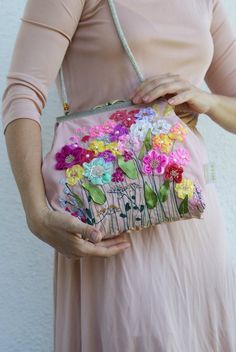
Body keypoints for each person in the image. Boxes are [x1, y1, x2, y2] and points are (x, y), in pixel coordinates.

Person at [2, 0, 236, 351]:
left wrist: (207, 100)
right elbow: (21, 93)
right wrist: (36, 214)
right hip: (112, 227)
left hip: (196, 221)